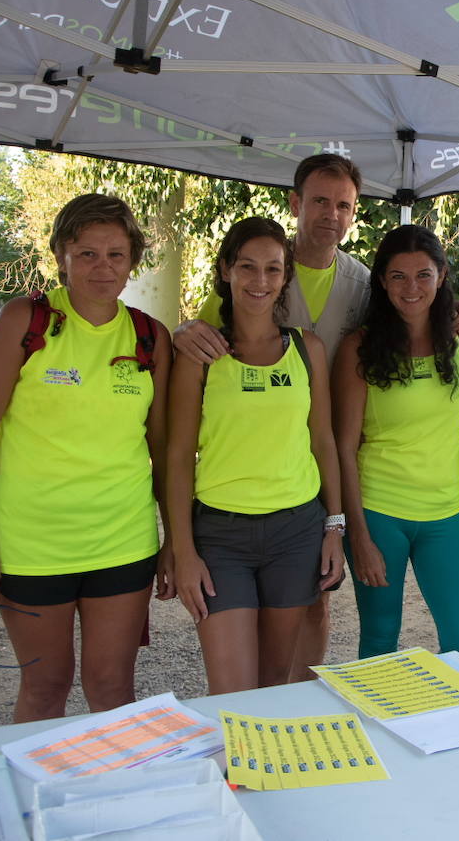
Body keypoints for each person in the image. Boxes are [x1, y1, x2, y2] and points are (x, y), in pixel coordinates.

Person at [173, 153, 459, 679]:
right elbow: (202, 336)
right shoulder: (257, 264)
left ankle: (298, 705)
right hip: (254, 471)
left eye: (344, 205)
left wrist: (456, 316)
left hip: (321, 470)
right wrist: (179, 331)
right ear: (296, 203)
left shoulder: (361, 283)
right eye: (320, 201)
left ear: (354, 213)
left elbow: (407, 313)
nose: (331, 215)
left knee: (315, 605)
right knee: (256, 652)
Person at [0, 193, 172, 723]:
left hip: (124, 543)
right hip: (31, 547)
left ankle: (115, 802)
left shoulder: (150, 336)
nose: (103, 267)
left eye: (116, 255)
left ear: (132, 262)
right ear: (61, 254)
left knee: (112, 686)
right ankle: (30, 805)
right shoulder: (23, 322)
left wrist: (173, 542)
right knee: (46, 687)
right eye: (87, 254)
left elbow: (164, 449)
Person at [165, 217, 344, 693]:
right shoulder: (199, 353)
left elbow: (323, 440)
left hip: (296, 532)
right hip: (221, 537)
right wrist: (183, 551)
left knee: (273, 682)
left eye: (272, 269)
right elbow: (179, 454)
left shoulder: (308, 349)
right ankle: (233, 770)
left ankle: (270, 770)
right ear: (225, 270)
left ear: (286, 276)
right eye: (247, 267)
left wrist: (335, 526)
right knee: (231, 691)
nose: (259, 281)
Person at [332, 225, 459, 659]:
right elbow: (344, 445)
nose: (411, 288)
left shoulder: (457, 334)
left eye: (423, 275)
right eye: (398, 276)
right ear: (381, 280)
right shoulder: (359, 347)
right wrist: (357, 534)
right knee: (380, 640)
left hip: (446, 512)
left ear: (442, 274)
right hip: (381, 515)